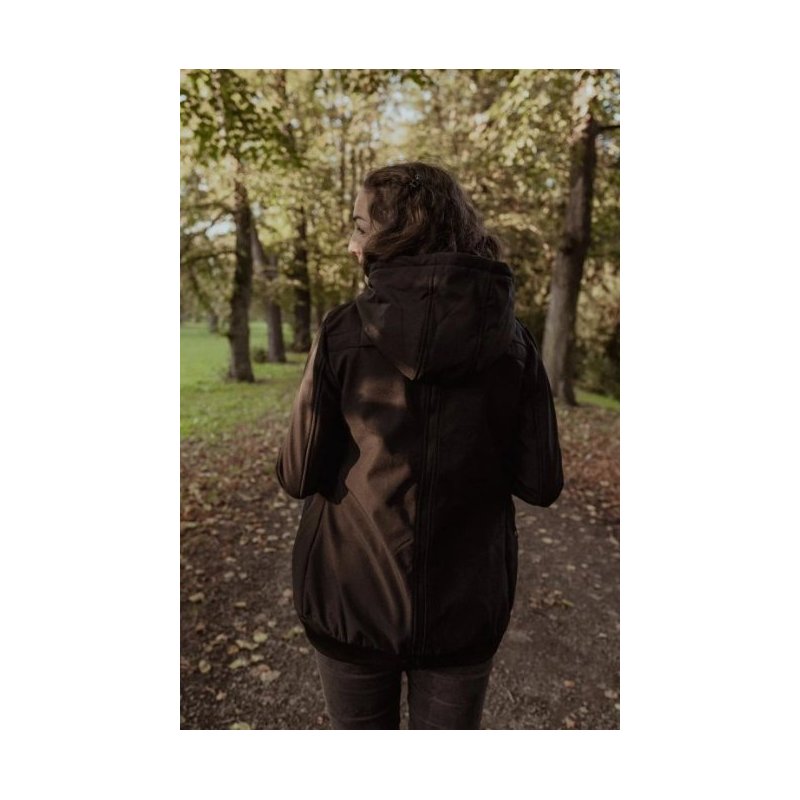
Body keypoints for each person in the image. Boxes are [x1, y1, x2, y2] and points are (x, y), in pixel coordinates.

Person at [275, 160, 564, 729]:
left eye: (360, 226)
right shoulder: (514, 345)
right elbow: (541, 482)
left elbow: (297, 474)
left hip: (351, 601)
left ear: (397, 233)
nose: (351, 243)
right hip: (466, 610)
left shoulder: (341, 332)